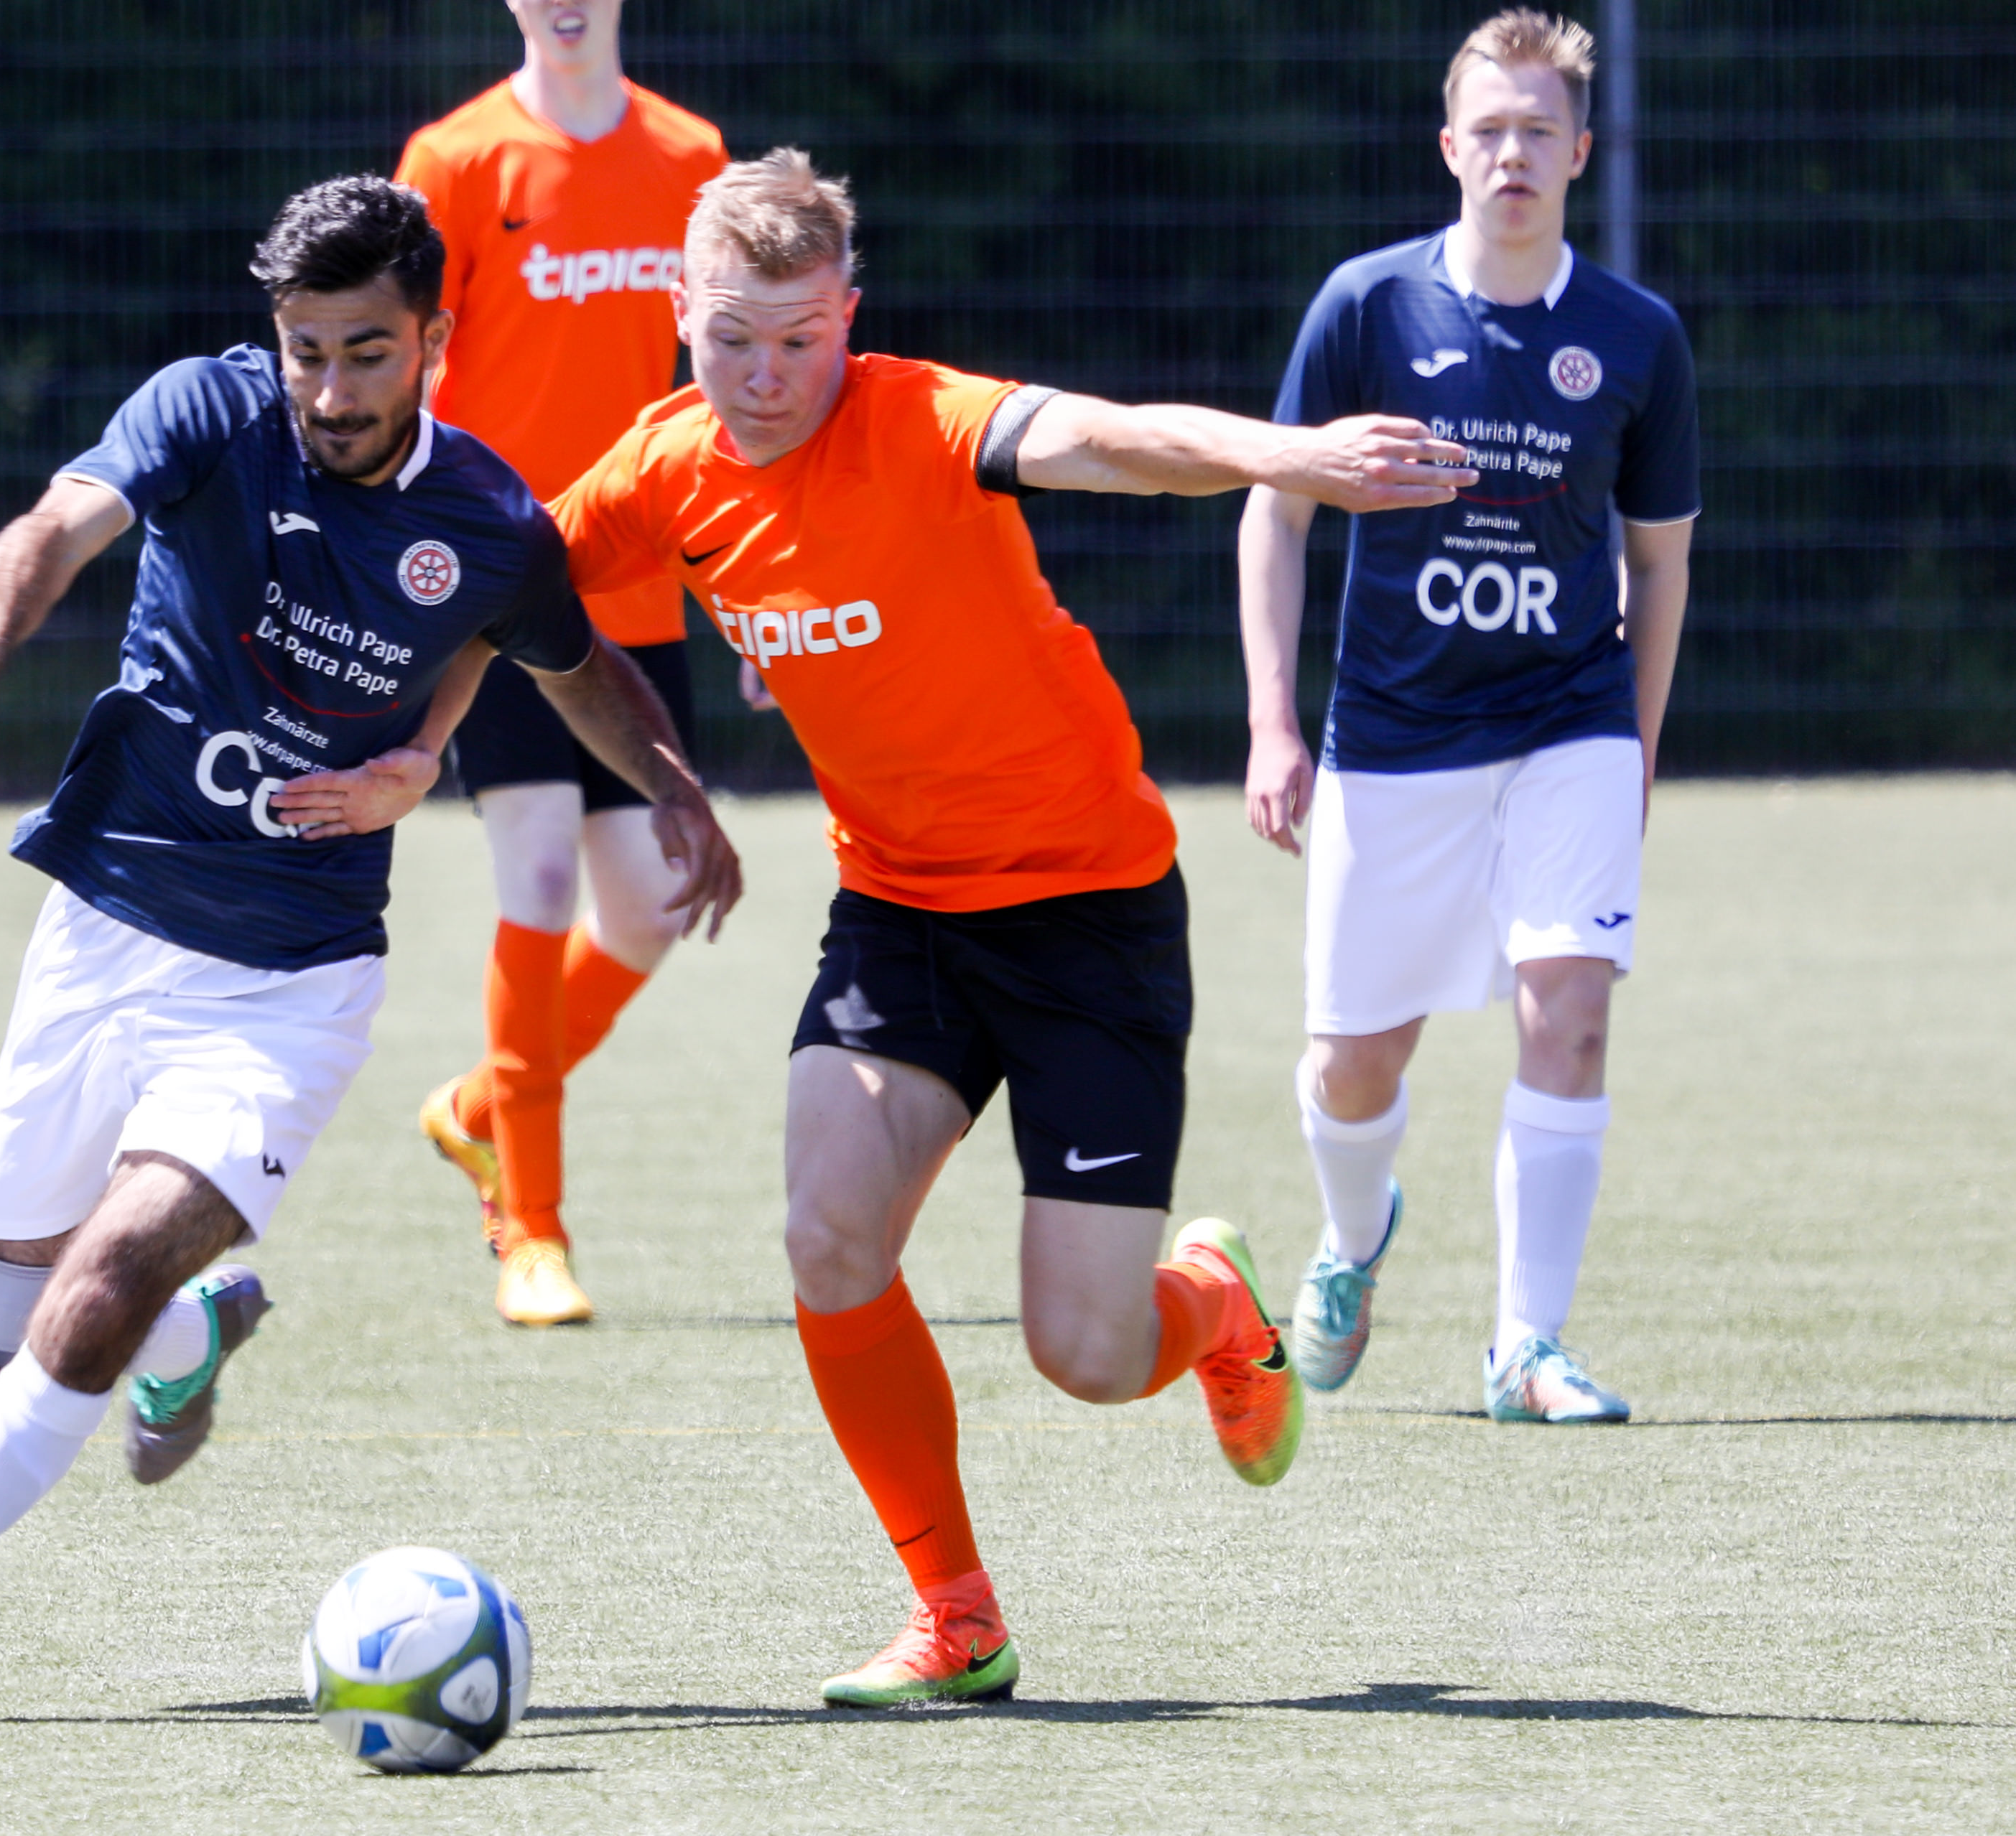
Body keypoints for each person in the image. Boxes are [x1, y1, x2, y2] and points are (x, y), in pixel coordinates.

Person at [0, 177, 741, 1727]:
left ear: (434, 340)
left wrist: (678, 790)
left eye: (367, 353)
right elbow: (54, 528)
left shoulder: (488, 522)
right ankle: (189, 1332)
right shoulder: (207, 415)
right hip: (103, 927)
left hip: (288, 981)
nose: (331, 392)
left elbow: (574, 660)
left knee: (94, 1287)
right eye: (306, 351)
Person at [547, 148, 1474, 1706]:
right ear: (680, 316)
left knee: (1089, 1356)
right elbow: (502, 592)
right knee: (827, 1234)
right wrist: (619, 771)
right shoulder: (661, 468)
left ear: (849, 316)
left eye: (799, 338)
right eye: (732, 337)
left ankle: (1212, 1303)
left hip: (1088, 915)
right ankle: (957, 1614)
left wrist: (1291, 455)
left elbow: (1113, 440)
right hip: (898, 912)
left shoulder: (926, 420)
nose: (765, 375)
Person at [1239, 8, 1699, 1426]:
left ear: (1580, 151)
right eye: (1488, 130)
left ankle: (1525, 1346)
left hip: (1569, 721)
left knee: (1569, 1014)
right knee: (1353, 1062)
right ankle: (1353, 1236)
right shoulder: (1367, 307)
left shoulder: (1635, 336)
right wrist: (1272, 722)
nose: (1512, 154)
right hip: (1393, 734)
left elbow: (1658, 564)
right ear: (1449, 147)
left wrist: (1636, 746)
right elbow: (1274, 514)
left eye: (1538, 131)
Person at [392, 0, 730, 1326]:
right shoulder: (455, 158)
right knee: (533, 880)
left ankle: (483, 1100)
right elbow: (404, 369)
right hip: (502, 588)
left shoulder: (692, 156)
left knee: (649, 910)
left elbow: (729, 384)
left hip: (642, 589)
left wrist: (744, 579)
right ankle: (531, 1228)